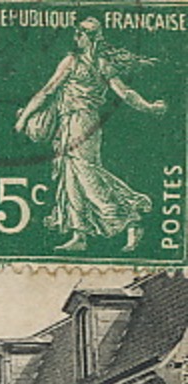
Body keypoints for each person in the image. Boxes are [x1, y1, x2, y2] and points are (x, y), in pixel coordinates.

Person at [15, 17, 167, 253]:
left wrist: (25, 117)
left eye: (80, 34)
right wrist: (149, 107)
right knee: (70, 176)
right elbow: (125, 93)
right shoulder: (99, 64)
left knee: (86, 174)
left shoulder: (75, 62)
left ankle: (130, 215)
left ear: (88, 38)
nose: (76, 38)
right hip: (70, 123)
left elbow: (47, 92)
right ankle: (79, 234)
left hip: (82, 122)